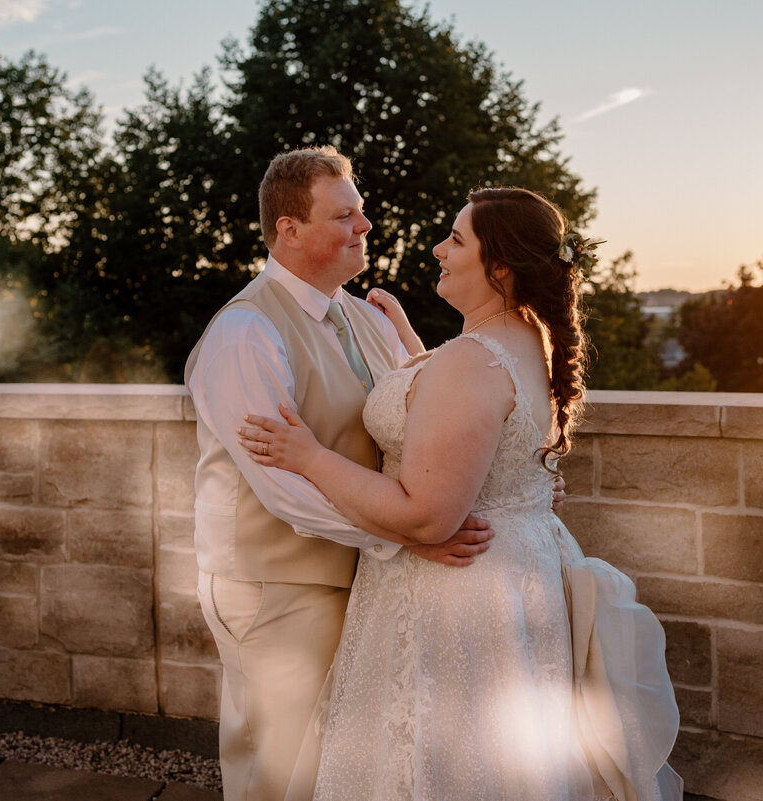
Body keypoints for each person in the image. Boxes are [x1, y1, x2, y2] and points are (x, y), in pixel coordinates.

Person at [239, 187, 683, 800]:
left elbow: (426, 515)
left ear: (498, 265)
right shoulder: (528, 341)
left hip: (456, 596)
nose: (438, 248)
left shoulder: (470, 363)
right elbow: (464, 430)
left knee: (439, 764)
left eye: (456, 239)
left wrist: (308, 457)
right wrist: (414, 351)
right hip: (515, 575)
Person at [185, 146, 513, 801]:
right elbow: (282, 487)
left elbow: (419, 432)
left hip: (361, 577)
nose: (365, 226)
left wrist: (508, 479)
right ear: (290, 229)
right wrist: (410, 534)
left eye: (361, 212)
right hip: (275, 584)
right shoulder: (246, 333)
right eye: (345, 215)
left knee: (341, 769)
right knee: (278, 774)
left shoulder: (366, 317)